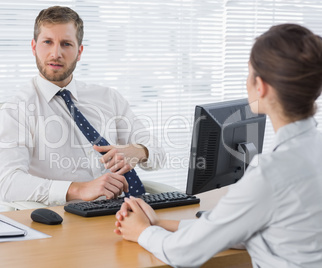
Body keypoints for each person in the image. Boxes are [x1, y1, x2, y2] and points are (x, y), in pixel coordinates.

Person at [114, 23, 322, 268]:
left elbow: (184, 254)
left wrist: (141, 232)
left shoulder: (271, 173)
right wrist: (158, 224)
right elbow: (247, 227)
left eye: (248, 73)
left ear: (261, 86)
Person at [0, 6, 165, 206]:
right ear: (33, 47)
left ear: (79, 51)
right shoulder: (16, 110)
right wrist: (77, 189)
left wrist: (139, 151)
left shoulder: (108, 98)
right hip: (68, 221)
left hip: (127, 213)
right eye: (47, 42)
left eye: (66, 44)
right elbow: (6, 184)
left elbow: (158, 152)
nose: (55, 53)